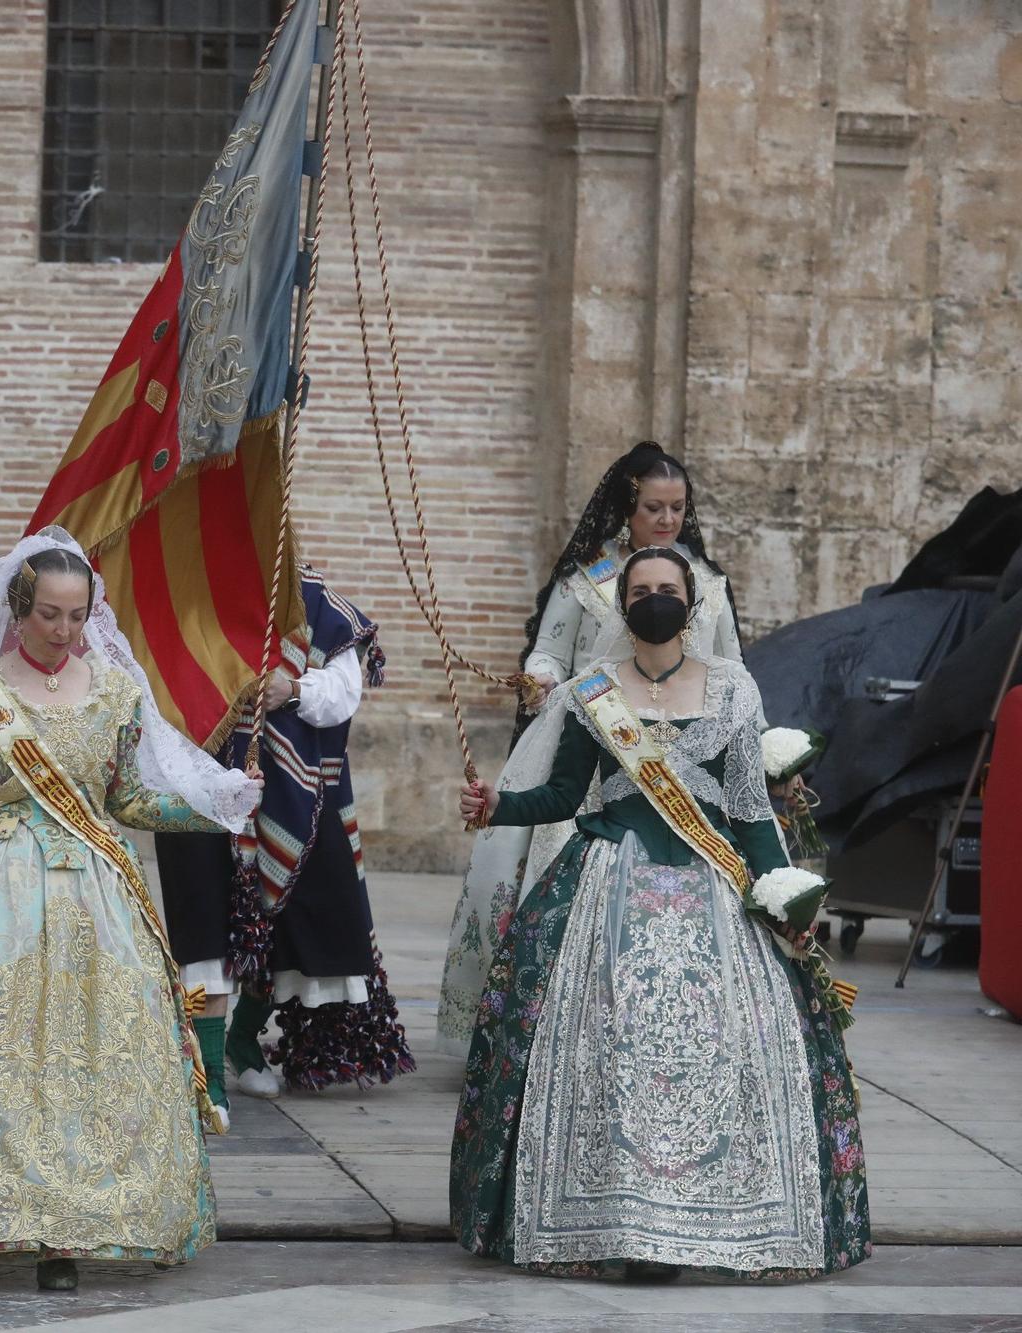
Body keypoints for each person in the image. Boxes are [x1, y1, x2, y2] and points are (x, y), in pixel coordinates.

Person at [0, 531, 262, 1292]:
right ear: (19, 610)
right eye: (49, 616)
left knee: (95, 1049)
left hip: (95, 893)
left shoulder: (118, 692)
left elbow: (128, 799)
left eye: (76, 616)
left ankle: (62, 1238)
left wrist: (216, 803)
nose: (63, 632)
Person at [450, 547, 869, 1280]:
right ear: (624, 607)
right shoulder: (592, 692)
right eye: (639, 591)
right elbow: (561, 796)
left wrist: (783, 895)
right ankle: (624, 1222)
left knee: (727, 1040)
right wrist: (498, 806)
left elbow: (748, 811)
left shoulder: (734, 689)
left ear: (690, 602)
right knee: (607, 1040)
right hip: (608, 881)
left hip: (712, 884)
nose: (653, 599)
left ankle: (720, 1215)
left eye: (665, 589)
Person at [436, 442, 746, 1056]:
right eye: (654, 508)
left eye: (677, 509)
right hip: (593, 740)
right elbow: (551, 649)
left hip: (679, 756)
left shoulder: (704, 583)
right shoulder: (591, 580)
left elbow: (730, 665)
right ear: (626, 508)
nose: (666, 520)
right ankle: (537, 1031)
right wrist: (543, 677)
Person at [154, 566, 413, 1108]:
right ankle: (208, 1082)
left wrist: (290, 689)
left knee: (295, 922)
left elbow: (343, 693)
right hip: (197, 781)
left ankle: (245, 1040)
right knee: (206, 925)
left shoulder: (315, 601)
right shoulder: (183, 587)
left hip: (298, 790)